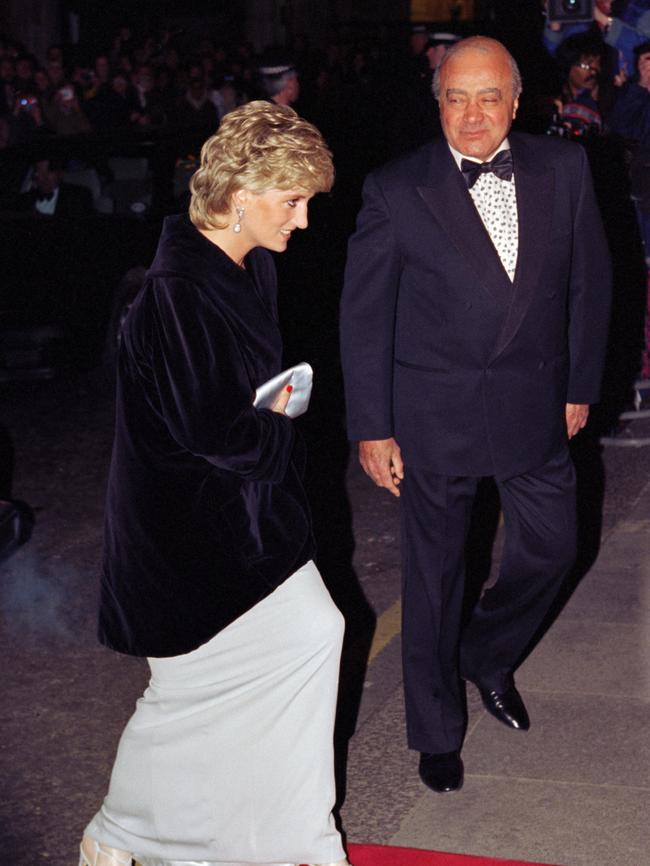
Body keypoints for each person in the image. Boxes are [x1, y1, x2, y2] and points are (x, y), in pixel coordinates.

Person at [79, 101, 351, 866]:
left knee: (308, 639)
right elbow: (219, 433)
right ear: (241, 194)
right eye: (292, 201)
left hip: (241, 529)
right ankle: (122, 831)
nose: (301, 221)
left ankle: (295, 834)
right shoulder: (175, 293)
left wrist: (279, 408)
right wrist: (285, 421)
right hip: (187, 545)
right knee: (186, 698)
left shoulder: (244, 267)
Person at [340, 37, 611, 795]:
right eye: (455, 97)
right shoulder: (397, 188)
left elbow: (591, 283)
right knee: (434, 580)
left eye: (488, 96)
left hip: (535, 405)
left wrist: (580, 384)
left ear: (517, 102)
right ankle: (435, 731)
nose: (471, 115)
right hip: (435, 418)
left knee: (556, 548)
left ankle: (487, 654)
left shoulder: (565, 169)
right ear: (438, 102)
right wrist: (371, 425)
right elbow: (365, 320)